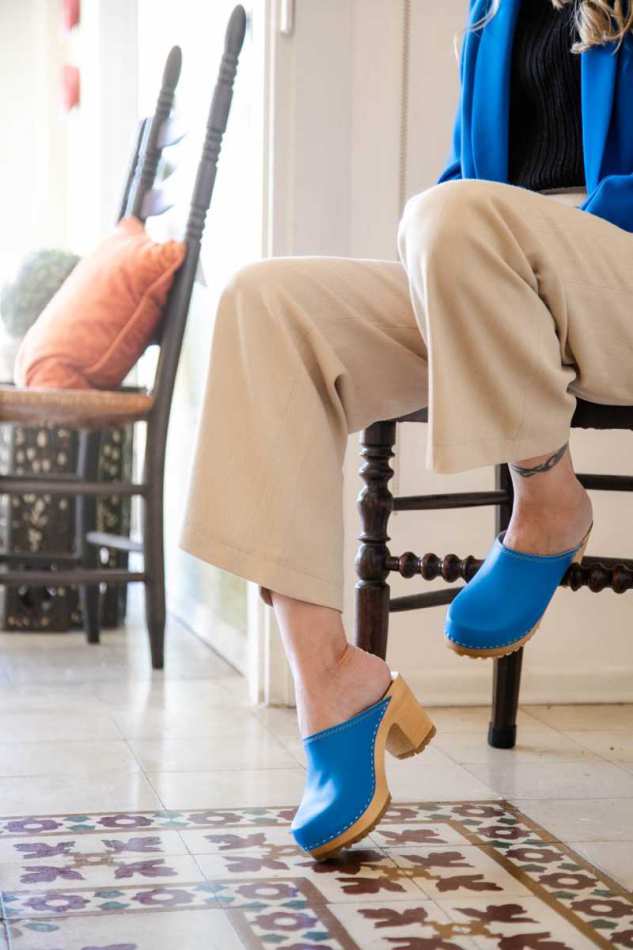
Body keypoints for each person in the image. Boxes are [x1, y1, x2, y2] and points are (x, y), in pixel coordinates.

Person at [180, 0, 633, 859]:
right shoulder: (494, 9)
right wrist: (466, 274)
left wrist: (505, 243)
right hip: (499, 275)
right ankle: (331, 682)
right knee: (265, 304)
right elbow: (466, 180)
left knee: (450, 214)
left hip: (619, 275)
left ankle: (546, 499)